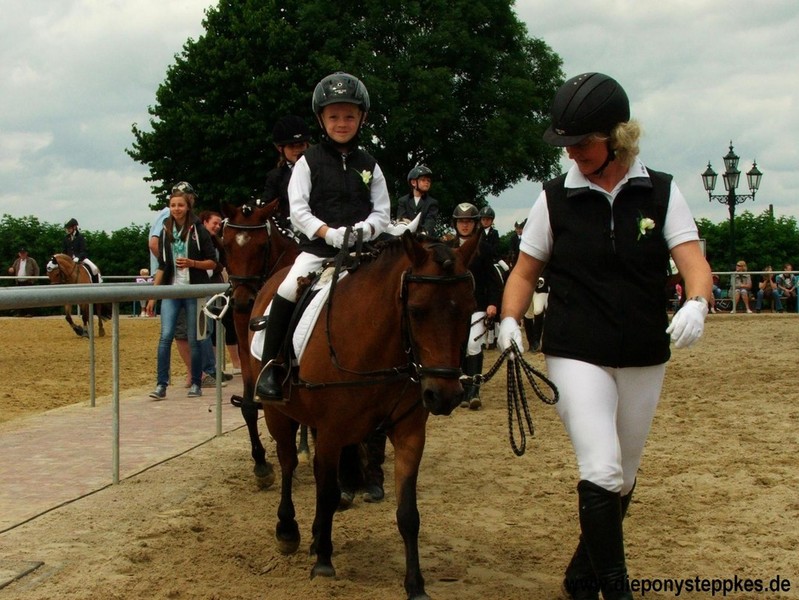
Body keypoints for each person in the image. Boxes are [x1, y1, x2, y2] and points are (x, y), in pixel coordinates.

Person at [497, 72, 712, 600]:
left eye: (581, 143)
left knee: (624, 477)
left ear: (618, 138)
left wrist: (698, 302)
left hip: (643, 350)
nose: (571, 153)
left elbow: (693, 262)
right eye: (566, 144)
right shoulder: (554, 198)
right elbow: (524, 272)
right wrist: (510, 319)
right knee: (601, 466)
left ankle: (580, 576)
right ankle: (615, 592)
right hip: (576, 349)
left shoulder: (661, 191)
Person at [254, 71, 390, 403]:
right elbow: (299, 211)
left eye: (349, 116)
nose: (342, 123)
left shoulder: (370, 164)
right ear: (321, 119)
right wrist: (328, 234)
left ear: (362, 118)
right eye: (334, 117)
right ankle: (272, 368)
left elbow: (382, 211)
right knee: (287, 288)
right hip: (318, 251)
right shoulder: (307, 163)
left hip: (364, 251)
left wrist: (364, 231)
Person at [146, 182, 218, 400]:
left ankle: (196, 382)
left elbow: (212, 262)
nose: (176, 209)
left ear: (188, 207)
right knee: (165, 337)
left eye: (180, 205)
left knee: (195, 339)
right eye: (173, 205)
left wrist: (192, 263)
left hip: (193, 291)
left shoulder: (199, 230)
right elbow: (162, 265)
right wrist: (153, 296)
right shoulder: (166, 229)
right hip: (172, 291)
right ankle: (161, 384)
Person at [448, 203, 503, 410]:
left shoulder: (484, 248)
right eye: (461, 221)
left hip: (478, 305)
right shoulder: (448, 247)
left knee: (473, 344)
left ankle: (475, 390)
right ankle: (462, 389)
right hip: (454, 308)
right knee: (459, 346)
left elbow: (493, 280)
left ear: (475, 224)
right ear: (455, 224)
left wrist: (493, 303)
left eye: (469, 222)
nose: (465, 225)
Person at [261, 115, 312, 230]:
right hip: (291, 230)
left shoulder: (320, 168)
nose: (297, 150)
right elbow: (268, 206)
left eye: (301, 145)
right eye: (291, 146)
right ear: (280, 149)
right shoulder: (275, 177)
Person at [396, 165, 439, 235]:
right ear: (413, 182)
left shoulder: (432, 203)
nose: (427, 182)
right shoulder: (403, 201)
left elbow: (430, 221)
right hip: (406, 235)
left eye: (428, 180)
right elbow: (402, 220)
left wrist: (423, 233)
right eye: (423, 180)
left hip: (424, 237)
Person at [8, 247, 40, 317]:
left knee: (29, 297)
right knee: (19, 297)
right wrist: (11, 269)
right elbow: (13, 268)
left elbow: (36, 269)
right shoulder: (17, 261)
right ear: (19, 254)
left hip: (28, 282)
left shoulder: (31, 260)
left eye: (24, 253)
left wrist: (34, 279)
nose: (22, 254)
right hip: (19, 282)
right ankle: (20, 312)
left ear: (26, 253)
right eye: (21, 253)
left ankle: (29, 312)